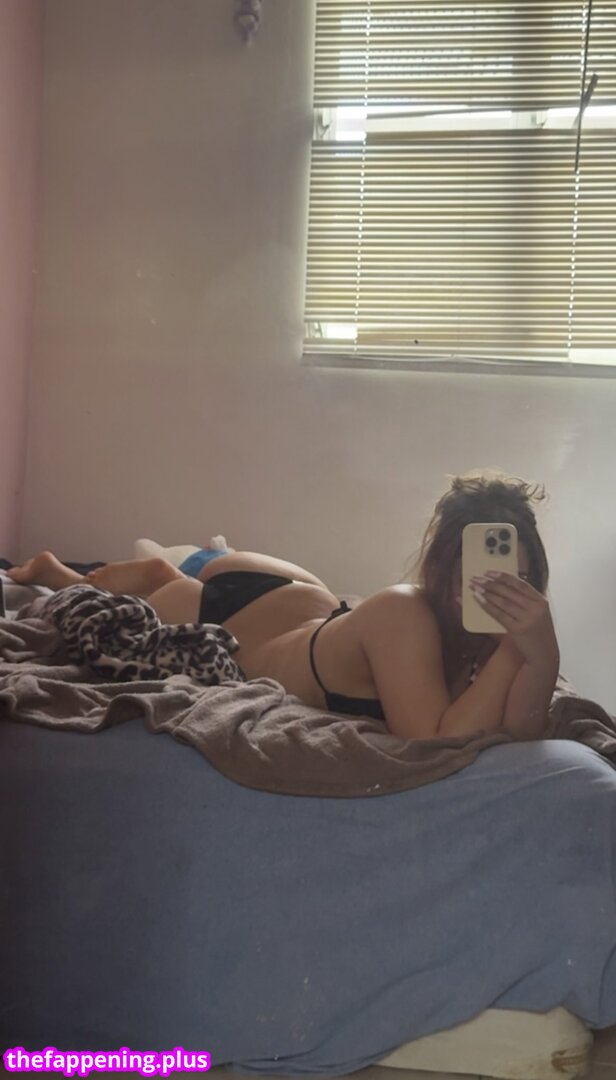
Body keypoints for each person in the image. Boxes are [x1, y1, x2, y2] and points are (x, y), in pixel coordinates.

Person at [8, 470, 560, 742]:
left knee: (184, 580)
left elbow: (523, 733)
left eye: (519, 578)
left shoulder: (487, 640)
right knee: (170, 595)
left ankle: (171, 569)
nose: (501, 593)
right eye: (480, 577)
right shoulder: (406, 612)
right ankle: (74, 576)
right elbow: (433, 742)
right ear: (441, 573)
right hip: (239, 623)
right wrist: (520, 651)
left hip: (302, 603)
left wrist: (539, 653)